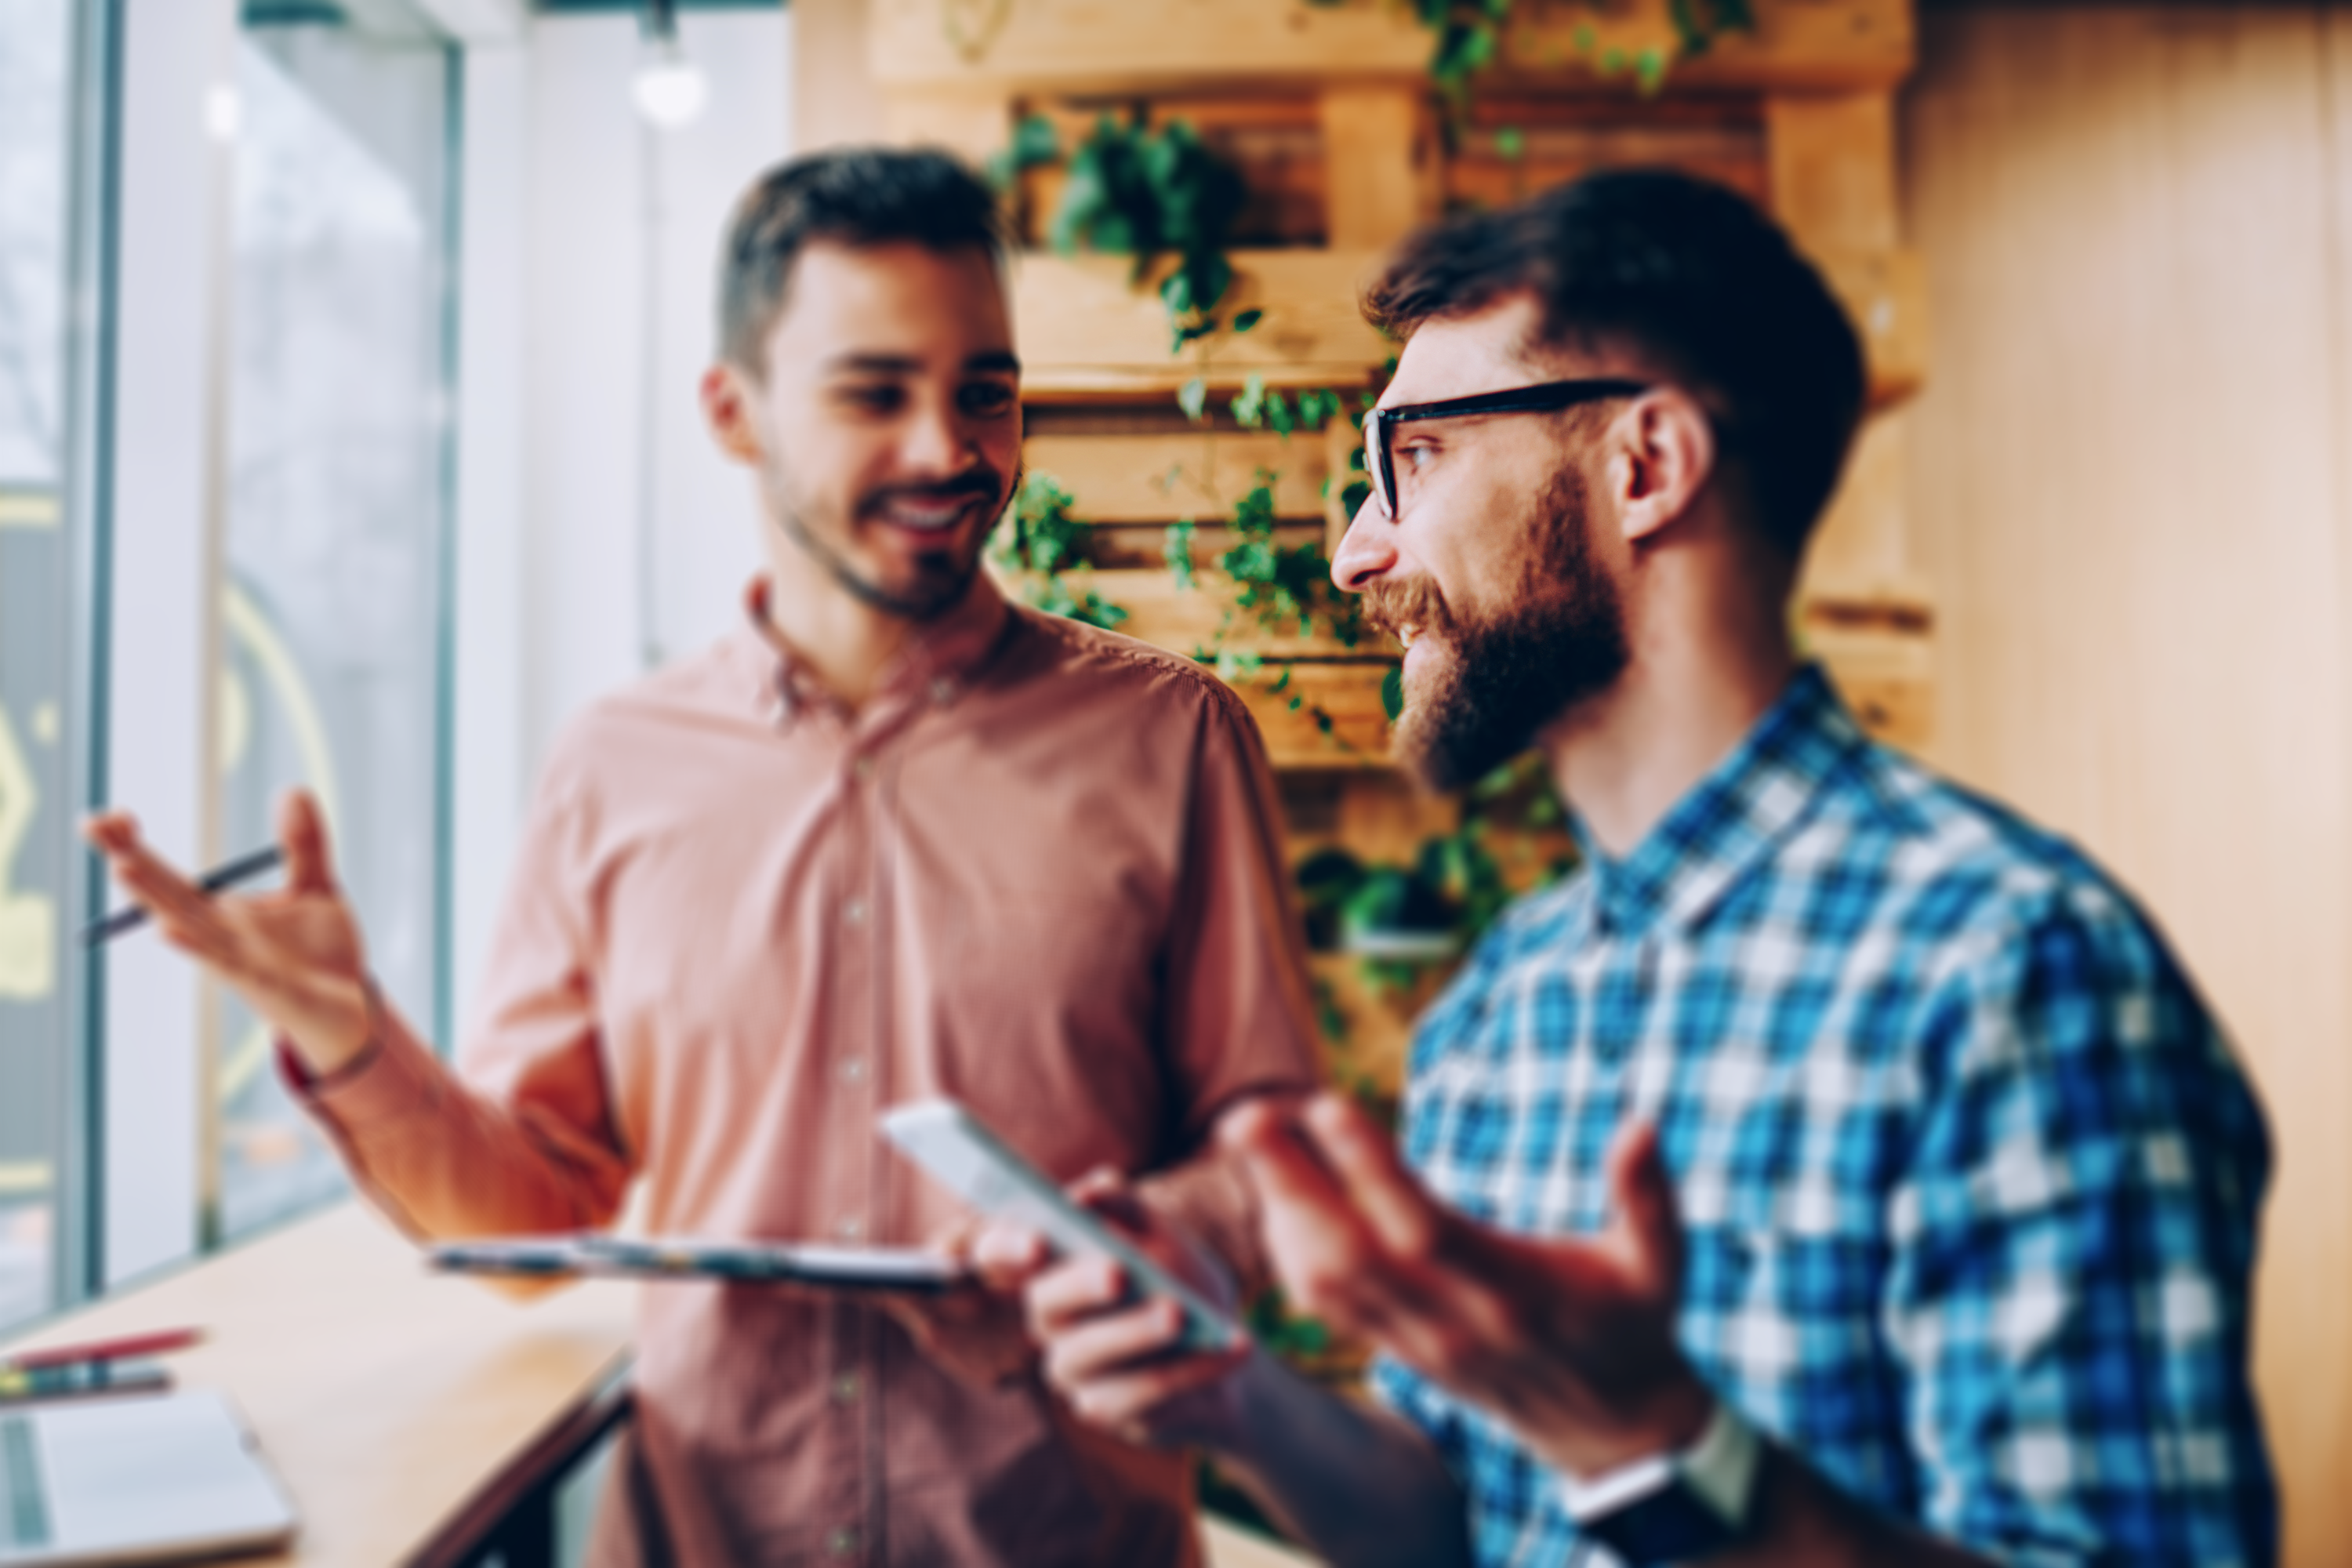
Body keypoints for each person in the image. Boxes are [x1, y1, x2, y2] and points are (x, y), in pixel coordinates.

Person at [989, 169, 2278, 1566]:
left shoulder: (2009, 967)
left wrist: (1663, 1453)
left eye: (1409, 460)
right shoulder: (1508, 1005)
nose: (1357, 552)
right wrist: (1225, 1383)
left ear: (1644, 467)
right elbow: (1461, 1525)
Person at [84, 147, 1322, 1566]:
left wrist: (1113, 1247)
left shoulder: (1172, 740)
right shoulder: (612, 766)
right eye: (875, 392)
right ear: (734, 414)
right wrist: (347, 1036)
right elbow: (537, 1207)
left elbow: (1268, 1159)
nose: (947, 449)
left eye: (985, 391)